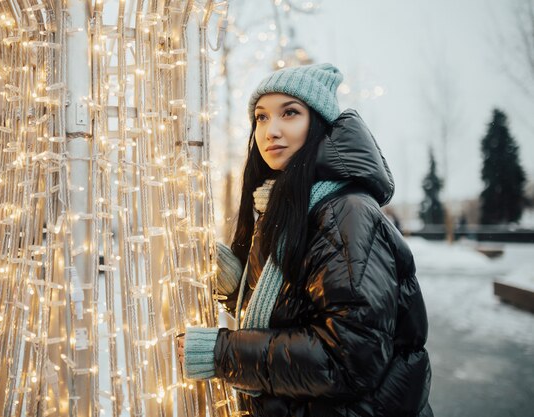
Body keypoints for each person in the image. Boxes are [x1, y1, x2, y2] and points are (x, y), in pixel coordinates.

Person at [177, 63, 432, 417]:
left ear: (319, 125)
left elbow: (347, 357)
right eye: (262, 118)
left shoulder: (346, 213)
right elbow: (300, 312)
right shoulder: (283, 209)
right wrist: (239, 287)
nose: (271, 131)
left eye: (290, 113)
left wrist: (222, 353)